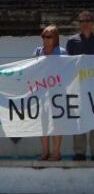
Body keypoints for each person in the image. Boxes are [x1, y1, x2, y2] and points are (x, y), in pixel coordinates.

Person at [34, 25, 67, 161]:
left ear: (55, 38)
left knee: (57, 123)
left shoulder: (62, 52)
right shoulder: (37, 51)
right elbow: (32, 70)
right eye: (43, 36)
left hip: (58, 92)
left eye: (49, 36)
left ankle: (56, 152)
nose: (45, 39)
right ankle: (45, 152)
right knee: (42, 123)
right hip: (41, 92)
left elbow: (67, 72)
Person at [66, 11, 94, 161]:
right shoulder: (72, 41)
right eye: (82, 20)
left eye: (88, 20)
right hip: (79, 87)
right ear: (79, 23)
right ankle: (80, 152)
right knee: (80, 119)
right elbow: (68, 64)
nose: (85, 23)